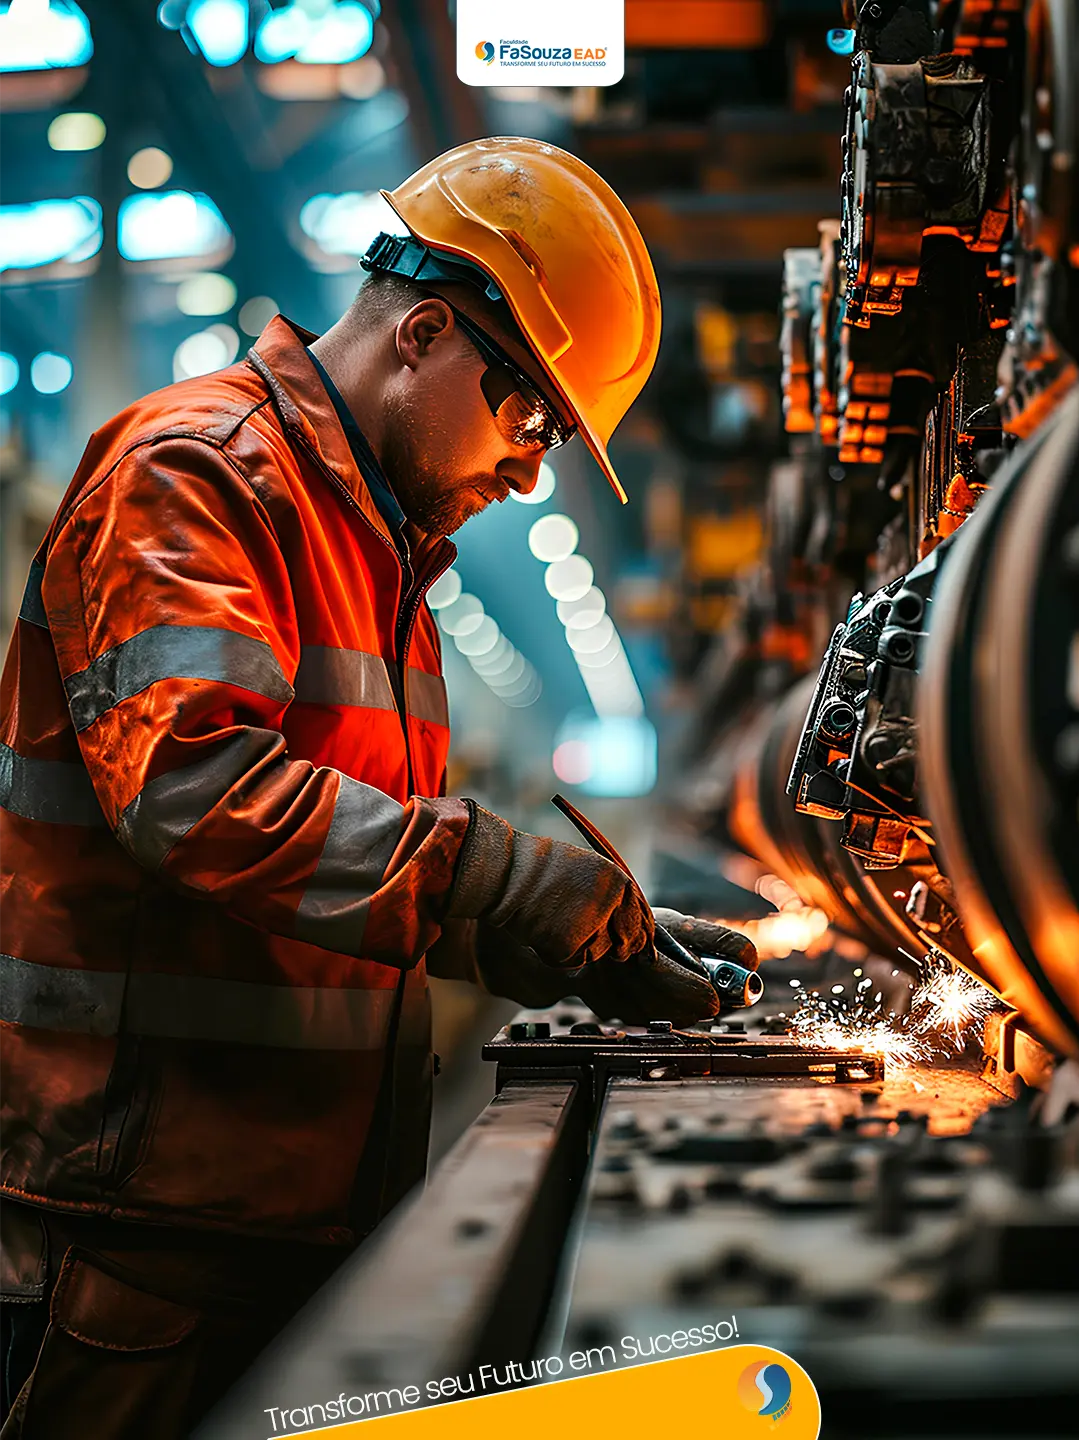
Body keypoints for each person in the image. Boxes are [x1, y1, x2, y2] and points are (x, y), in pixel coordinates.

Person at [0, 137, 756, 1437]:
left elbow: (332, 876)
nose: (531, 470)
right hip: (132, 1239)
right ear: (420, 333)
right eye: (531, 419)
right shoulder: (197, 474)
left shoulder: (383, 554)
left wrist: (563, 942)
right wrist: (509, 873)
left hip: (278, 1215)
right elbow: (197, 793)